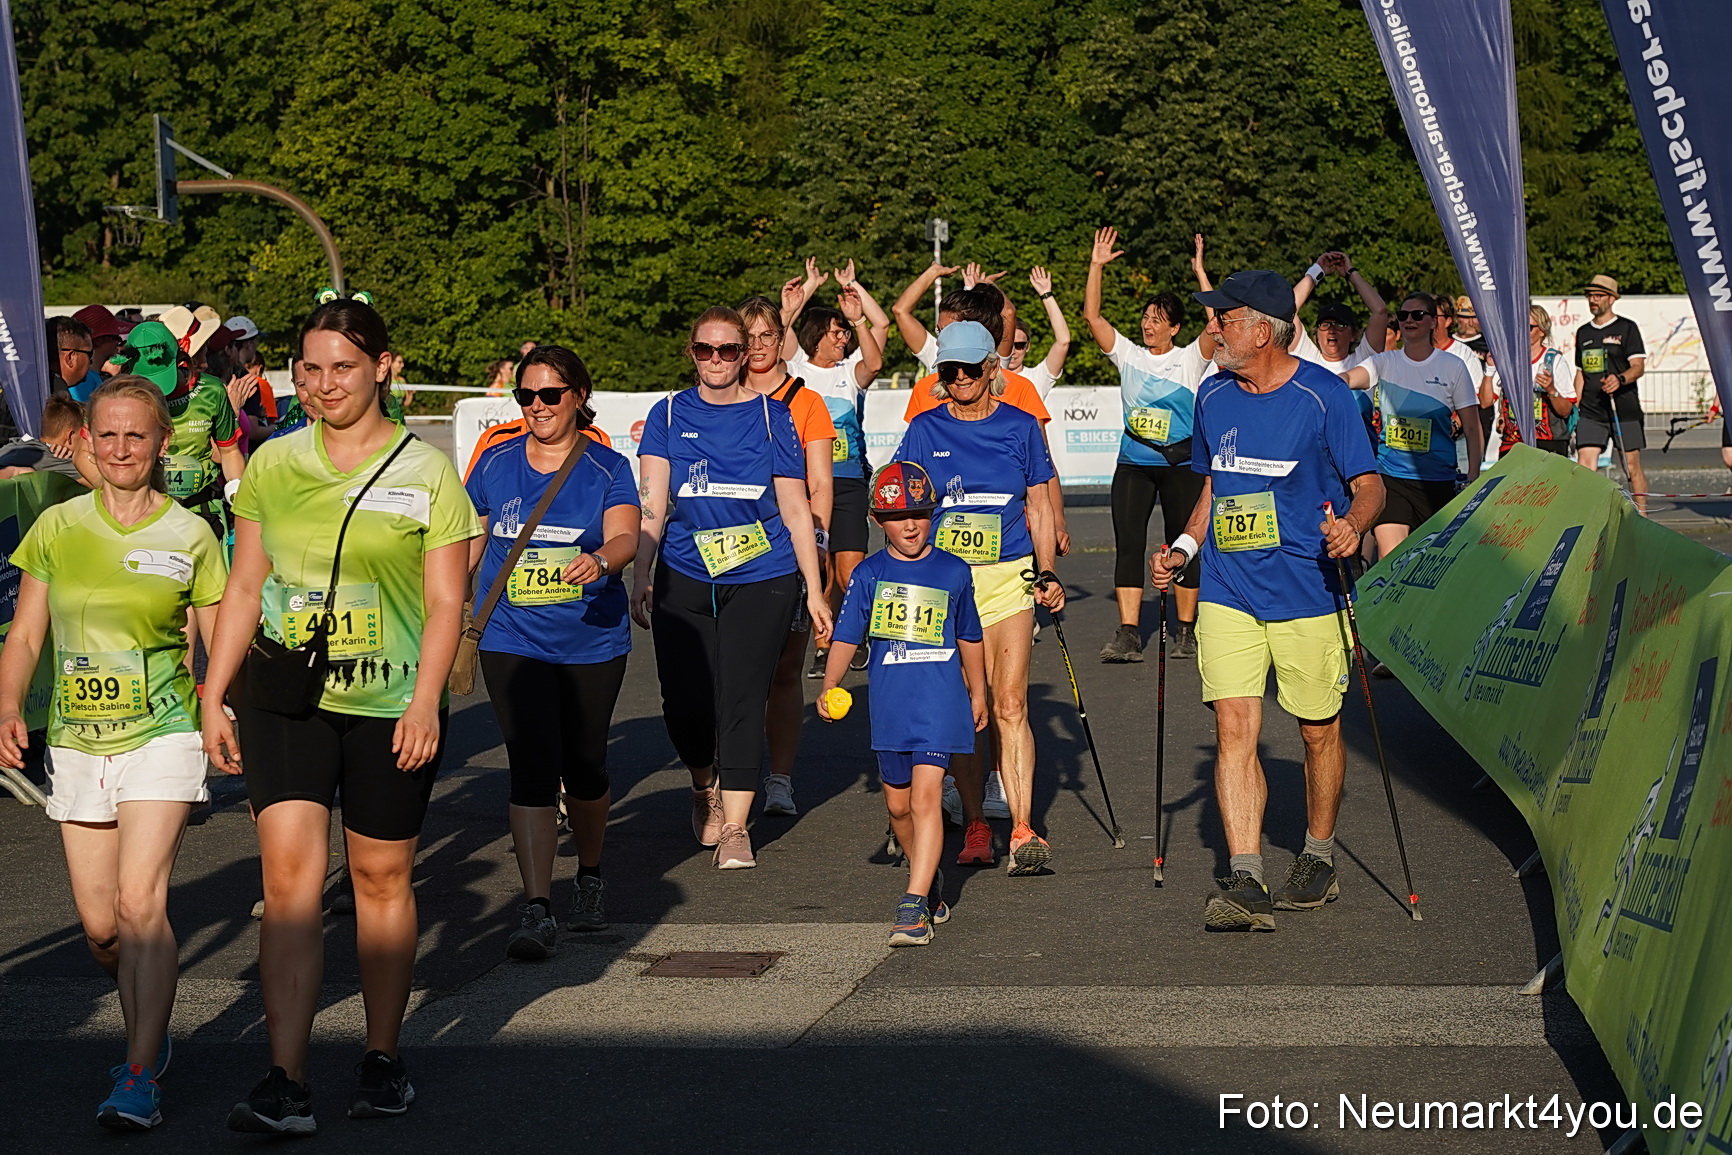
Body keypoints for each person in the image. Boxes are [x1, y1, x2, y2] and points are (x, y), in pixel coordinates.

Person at [202, 299, 479, 1130]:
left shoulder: (426, 471)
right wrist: (213, 693)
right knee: (289, 883)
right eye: (311, 369)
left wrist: (426, 699)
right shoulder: (274, 463)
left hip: (392, 700)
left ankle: (382, 1056)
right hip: (286, 696)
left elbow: (445, 600)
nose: (325, 385)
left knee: (380, 877)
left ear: (383, 368)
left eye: (344, 368)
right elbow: (244, 584)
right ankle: (284, 1078)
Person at [0, 376, 229, 1129]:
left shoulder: (190, 534)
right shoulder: (58, 527)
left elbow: (220, 635)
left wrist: (219, 705)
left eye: (137, 435)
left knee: (140, 904)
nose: (122, 449)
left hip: (163, 731)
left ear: (161, 442)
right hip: (78, 741)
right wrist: (7, 703)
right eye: (109, 435)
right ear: (88, 441)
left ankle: (138, 1072)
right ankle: (146, 1023)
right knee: (102, 927)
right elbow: (26, 633)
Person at [1151, 269, 1384, 932]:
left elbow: (1370, 485)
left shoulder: (1324, 396)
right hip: (1228, 588)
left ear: (1264, 331)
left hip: (1308, 588)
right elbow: (1214, 487)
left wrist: (1353, 525)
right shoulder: (1212, 393)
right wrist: (1184, 549)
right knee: (1233, 726)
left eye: (1225, 318)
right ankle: (1246, 876)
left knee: (1318, 729)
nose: (1215, 329)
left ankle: (1318, 855)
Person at [631, 306, 831, 870]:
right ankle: (705, 784)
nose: (715, 359)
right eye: (705, 349)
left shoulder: (773, 417)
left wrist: (815, 589)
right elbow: (652, 503)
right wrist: (641, 572)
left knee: (743, 696)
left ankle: (737, 827)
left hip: (762, 574)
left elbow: (795, 506)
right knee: (685, 703)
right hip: (685, 571)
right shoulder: (669, 413)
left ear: (744, 355)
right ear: (692, 353)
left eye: (727, 350)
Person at [466, 346, 639, 958]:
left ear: (578, 397)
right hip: (510, 636)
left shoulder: (608, 467)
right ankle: (537, 906)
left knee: (586, 765)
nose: (537, 406)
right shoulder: (495, 463)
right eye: (526, 396)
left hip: (590, 639)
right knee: (532, 765)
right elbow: (470, 541)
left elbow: (626, 533)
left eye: (550, 394)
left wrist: (602, 560)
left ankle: (589, 874)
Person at [893, 321, 1065, 872]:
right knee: (967, 709)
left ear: (993, 367)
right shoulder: (923, 428)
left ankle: (1022, 829)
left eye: (970, 367)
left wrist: (1047, 571)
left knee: (1009, 702)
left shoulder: (1021, 426)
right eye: (950, 370)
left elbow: (1038, 504)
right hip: (946, 584)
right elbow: (900, 504)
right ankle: (974, 823)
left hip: (1008, 576)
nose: (961, 378)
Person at [819, 461, 986, 946]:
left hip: (940, 703)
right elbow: (847, 635)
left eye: (919, 514)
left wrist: (978, 691)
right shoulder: (869, 574)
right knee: (898, 808)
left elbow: (969, 635)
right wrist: (831, 684)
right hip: (892, 707)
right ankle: (927, 879)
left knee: (925, 797)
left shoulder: (953, 570)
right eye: (897, 517)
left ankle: (912, 905)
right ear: (877, 520)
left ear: (933, 514)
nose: (910, 525)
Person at [1084, 226, 1215, 663]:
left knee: (1183, 544)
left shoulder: (1190, 358)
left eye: (1158, 319)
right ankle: (1128, 633)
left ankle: (1186, 630)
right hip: (1134, 464)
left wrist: (1200, 273)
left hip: (1181, 465)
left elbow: (1216, 324)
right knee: (1128, 545)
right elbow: (1093, 318)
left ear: (1175, 327)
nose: (1147, 324)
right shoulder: (1129, 355)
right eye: (1145, 317)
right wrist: (1096, 266)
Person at [738, 295, 836, 816]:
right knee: (731, 674)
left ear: (782, 340)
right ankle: (727, 775)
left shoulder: (807, 402)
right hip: (730, 556)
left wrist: (816, 548)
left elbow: (819, 484)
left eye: (767, 336)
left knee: (783, 671)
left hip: (790, 552)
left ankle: (779, 779)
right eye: (747, 337)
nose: (757, 347)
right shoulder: (719, 395)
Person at [778, 262, 886, 680]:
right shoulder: (795, 371)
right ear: (816, 338)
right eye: (836, 333)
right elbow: (774, 334)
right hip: (805, 483)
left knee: (850, 570)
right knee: (818, 570)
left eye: (845, 334)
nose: (843, 339)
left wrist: (857, 316)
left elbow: (874, 360)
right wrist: (805, 290)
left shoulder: (849, 373)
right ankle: (824, 645)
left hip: (848, 482)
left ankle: (855, 635)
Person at [1341, 292, 1482, 562]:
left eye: (1418, 315)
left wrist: (1474, 473)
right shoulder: (1385, 361)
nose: (1409, 320)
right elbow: (1348, 378)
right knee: (1391, 557)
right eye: (1403, 315)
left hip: (1437, 480)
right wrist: (1329, 382)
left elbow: (1473, 427)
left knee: (1429, 563)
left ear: (1433, 322)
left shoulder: (1453, 366)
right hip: (1392, 478)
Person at [110, 321, 245, 543]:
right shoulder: (116, 396)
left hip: (201, 513)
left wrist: (238, 495)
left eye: (162, 378)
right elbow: (88, 451)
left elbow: (229, 451)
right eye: (147, 382)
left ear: (179, 358)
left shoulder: (211, 391)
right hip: (140, 518)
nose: (157, 391)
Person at [1572, 274, 1649, 513]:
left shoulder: (1627, 328)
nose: (1592, 300)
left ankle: (1642, 516)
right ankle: (1586, 517)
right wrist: (1575, 406)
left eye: (1598, 296)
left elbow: (1638, 367)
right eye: (1590, 295)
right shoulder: (1584, 332)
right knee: (1585, 466)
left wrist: (1620, 379)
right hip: (1591, 410)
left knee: (1631, 467)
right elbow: (1581, 373)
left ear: (1612, 299)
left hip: (1623, 408)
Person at [1496, 305, 1575, 457]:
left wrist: (1551, 390)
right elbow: (1488, 401)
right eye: (1519, 326)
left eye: (1529, 327)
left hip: (1548, 442)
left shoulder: (1553, 361)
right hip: (1513, 442)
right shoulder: (1508, 360)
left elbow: (1565, 411)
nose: (1522, 331)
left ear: (1542, 331)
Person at [1004, 267, 1072, 399]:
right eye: (1008, 345)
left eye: (1019, 345)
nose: (1013, 351)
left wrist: (1046, 294)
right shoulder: (987, 378)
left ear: (1027, 346)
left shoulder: (1038, 377)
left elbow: (1063, 341)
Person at [0, 394, 91, 481]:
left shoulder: (14, 446)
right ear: (69, 436)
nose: (87, 439)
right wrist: (81, 455)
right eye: (84, 434)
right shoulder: (55, 458)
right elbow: (97, 480)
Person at [47, 315, 95, 397]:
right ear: (70, 358)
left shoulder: (27, 384)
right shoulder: (58, 399)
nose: (91, 362)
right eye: (89, 354)